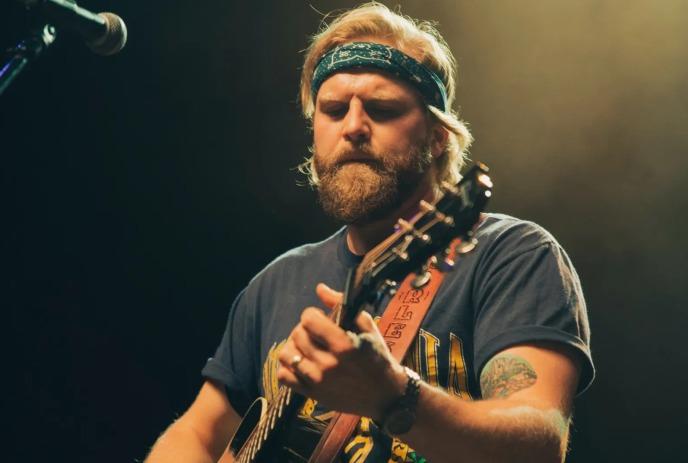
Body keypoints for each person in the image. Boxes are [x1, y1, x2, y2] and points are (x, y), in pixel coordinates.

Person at [145, 3, 594, 462]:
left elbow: (538, 444)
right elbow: (197, 435)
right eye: (334, 110)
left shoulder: (512, 256)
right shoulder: (273, 285)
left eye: (381, 109)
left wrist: (394, 398)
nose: (353, 127)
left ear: (438, 136)